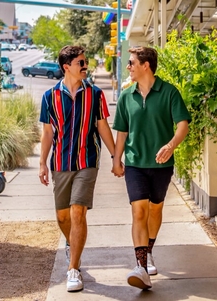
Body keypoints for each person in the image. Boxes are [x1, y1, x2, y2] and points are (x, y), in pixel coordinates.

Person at [112, 46, 191, 290]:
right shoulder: (126, 96)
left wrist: (171, 145)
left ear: (146, 65)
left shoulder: (169, 93)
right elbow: (122, 131)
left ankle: (148, 252)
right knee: (139, 212)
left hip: (161, 165)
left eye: (132, 62)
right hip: (135, 163)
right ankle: (141, 266)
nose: (128, 67)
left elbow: (183, 125)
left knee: (155, 210)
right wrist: (117, 159)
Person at [39, 45, 116, 292]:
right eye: (80, 63)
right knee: (62, 216)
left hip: (87, 161)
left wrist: (115, 156)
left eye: (85, 62)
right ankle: (73, 247)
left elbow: (102, 126)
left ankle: (74, 269)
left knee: (77, 212)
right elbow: (48, 133)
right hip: (60, 163)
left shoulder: (95, 94)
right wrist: (42, 162)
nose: (85, 66)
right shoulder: (49, 97)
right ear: (66, 67)